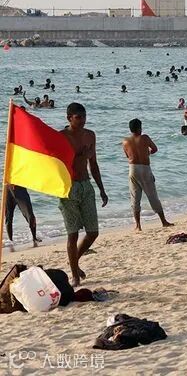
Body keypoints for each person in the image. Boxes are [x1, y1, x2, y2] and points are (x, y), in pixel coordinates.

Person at [60, 102, 108, 287]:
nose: (82, 120)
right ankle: (75, 275)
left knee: (93, 232)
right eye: (78, 117)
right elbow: (61, 165)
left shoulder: (90, 135)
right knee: (72, 234)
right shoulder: (62, 137)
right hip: (68, 188)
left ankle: (74, 261)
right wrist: (82, 156)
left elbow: (93, 164)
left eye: (84, 117)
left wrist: (101, 188)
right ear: (69, 118)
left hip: (86, 185)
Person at [122, 118, 173, 232]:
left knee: (135, 198)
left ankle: (138, 226)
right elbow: (154, 149)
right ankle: (163, 221)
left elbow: (127, 156)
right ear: (140, 128)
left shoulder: (125, 141)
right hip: (145, 168)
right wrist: (147, 153)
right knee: (152, 196)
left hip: (133, 169)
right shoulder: (145, 138)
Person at [3, 184, 40, 249]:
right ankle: (10, 241)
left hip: (20, 189)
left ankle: (34, 238)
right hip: (8, 190)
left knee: (30, 215)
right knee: (8, 218)